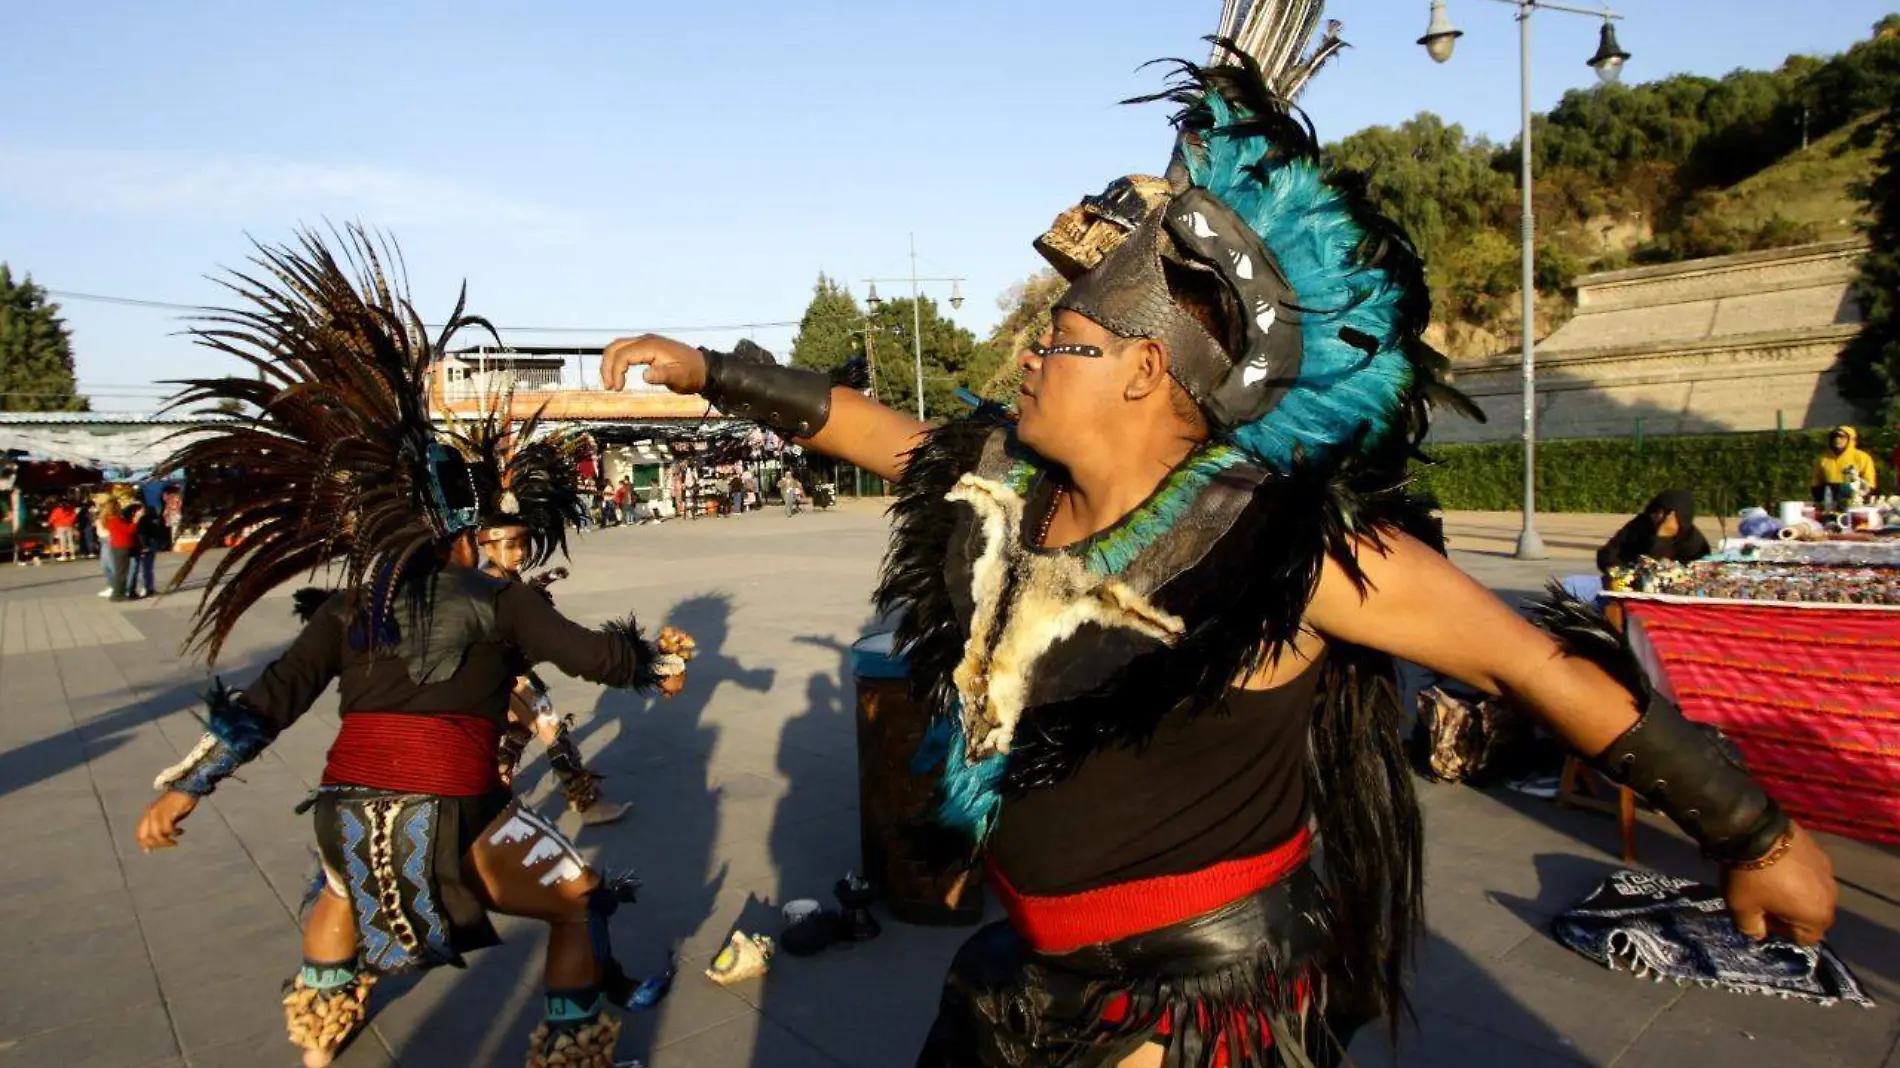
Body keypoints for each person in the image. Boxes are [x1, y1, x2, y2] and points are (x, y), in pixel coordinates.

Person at [600, 42, 1837, 1068]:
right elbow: (887, 433)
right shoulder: (1015, 488)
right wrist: (714, 372)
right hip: (1027, 971)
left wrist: (1754, 835)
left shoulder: (1293, 548)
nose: (1029, 354)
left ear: (1148, 369)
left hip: (1198, 1005)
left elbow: (1534, 668)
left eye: (1062, 339)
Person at [134, 227, 692, 1068]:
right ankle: (572, 1054)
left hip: (344, 813)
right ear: (463, 530)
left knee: (337, 885)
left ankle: (319, 1046)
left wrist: (188, 788)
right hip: (455, 812)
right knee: (577, 898)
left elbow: (269, 701)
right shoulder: (501, 600)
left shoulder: (351, 606)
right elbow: (592, 658)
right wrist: (661, 662)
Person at [1596, 489, 1712, 577]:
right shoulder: (1641, 525)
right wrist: (1618, 572)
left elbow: (1655, 571)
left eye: (1666, 513)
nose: (1658, 516)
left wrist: (1663, 538)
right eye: (1656, 511)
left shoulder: (1694, 543)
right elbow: (1607, 553)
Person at [1812, 425, 1876, 509]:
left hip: (1854, 501)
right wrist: (1819, 500)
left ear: (1851, 439)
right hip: (1830, 501)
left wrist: (1861, 497)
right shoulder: (1823, 459)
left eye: (1842, 437)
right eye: (1834, 436)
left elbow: (1869, 483)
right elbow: (1816, 481)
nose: (1837, 440)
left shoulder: (1862, 457)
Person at [100, 497, 137, 601]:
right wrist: (135, 522)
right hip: (122, 546)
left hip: (117, 545)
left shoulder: (109, 519)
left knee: (120, 571)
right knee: (122, 572)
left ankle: (119, 593)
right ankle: (118, 594)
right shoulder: (115, 519)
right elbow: (128, 530)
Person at [131, 501, 169, 597]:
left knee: (144, 567)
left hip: (146, 543)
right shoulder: (159, 518)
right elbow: (163, 531)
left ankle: (146, 587)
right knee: (149, 567)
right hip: (154, 542)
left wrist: (143, 546)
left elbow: (140, 533)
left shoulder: (143, 520)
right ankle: (150, 587)